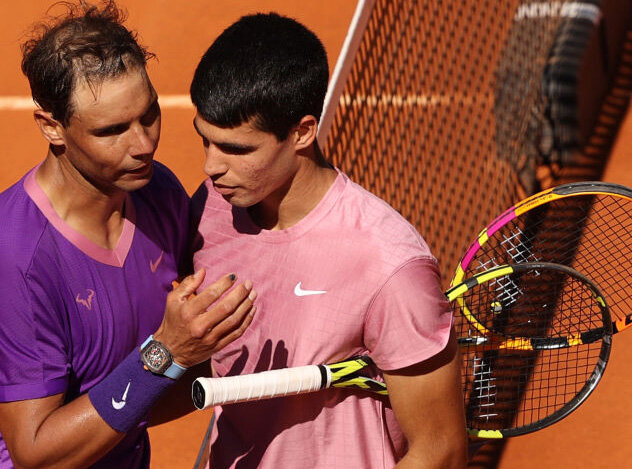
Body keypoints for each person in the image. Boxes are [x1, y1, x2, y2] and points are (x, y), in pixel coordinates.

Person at [0, 2, 255, 467]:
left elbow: (141, 399)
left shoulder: (158, 193)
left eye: (149, 115)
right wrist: (165, 353)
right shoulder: (7, 259)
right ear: (52, 127)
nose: (143, 145)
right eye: (112, 130)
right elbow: (38, 456)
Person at [188, 13, 468, 468]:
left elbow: (441, 450)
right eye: (206, 141)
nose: (211, 167)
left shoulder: (388, 264)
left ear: (302, 132)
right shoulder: (210, 209)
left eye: (237, 149)